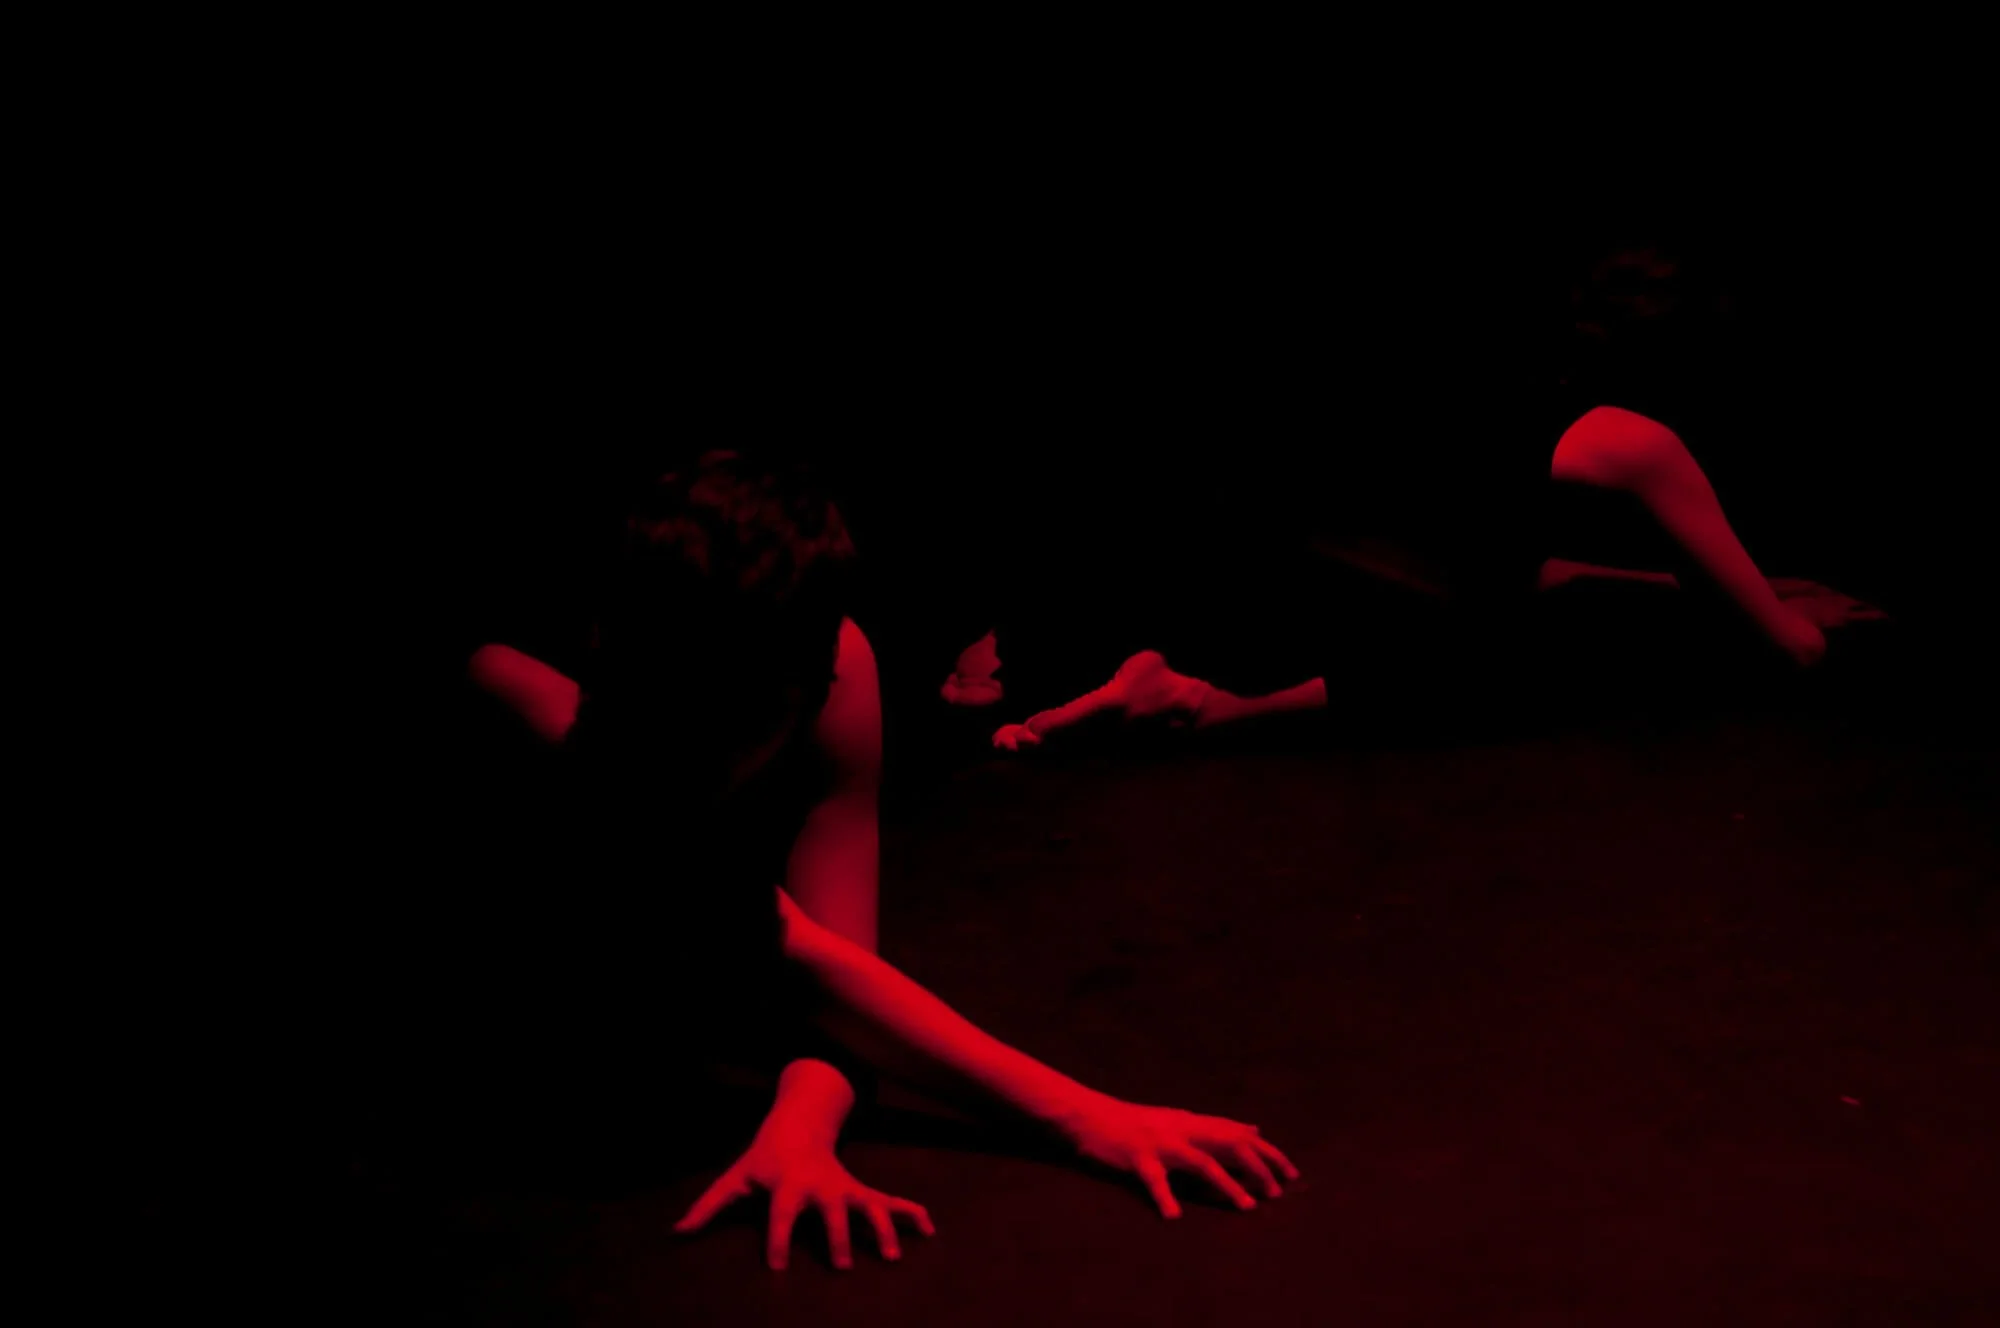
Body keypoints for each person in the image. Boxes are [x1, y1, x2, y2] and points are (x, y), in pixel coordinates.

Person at [435, 451, 1296, 1272]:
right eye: (686, 707)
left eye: (744, 721)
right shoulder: (531, 700)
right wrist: (1085, 1118)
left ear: (805, 690)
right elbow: (796, 956)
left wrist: (801, 1125)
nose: (708, 747)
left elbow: (840, 963)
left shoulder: (835, 667)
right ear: (620, 659)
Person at [946, 243, 1886, 753]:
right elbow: (1788, 653)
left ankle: (1053, 656)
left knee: (1481, 598)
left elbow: (1514, 563)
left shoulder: (1505, 393)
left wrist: (1700, 586)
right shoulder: (1642, 445)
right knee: (1542, 654)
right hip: (1346, 621)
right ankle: (1205, 708)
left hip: (1252, 572)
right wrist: (1792, 616)